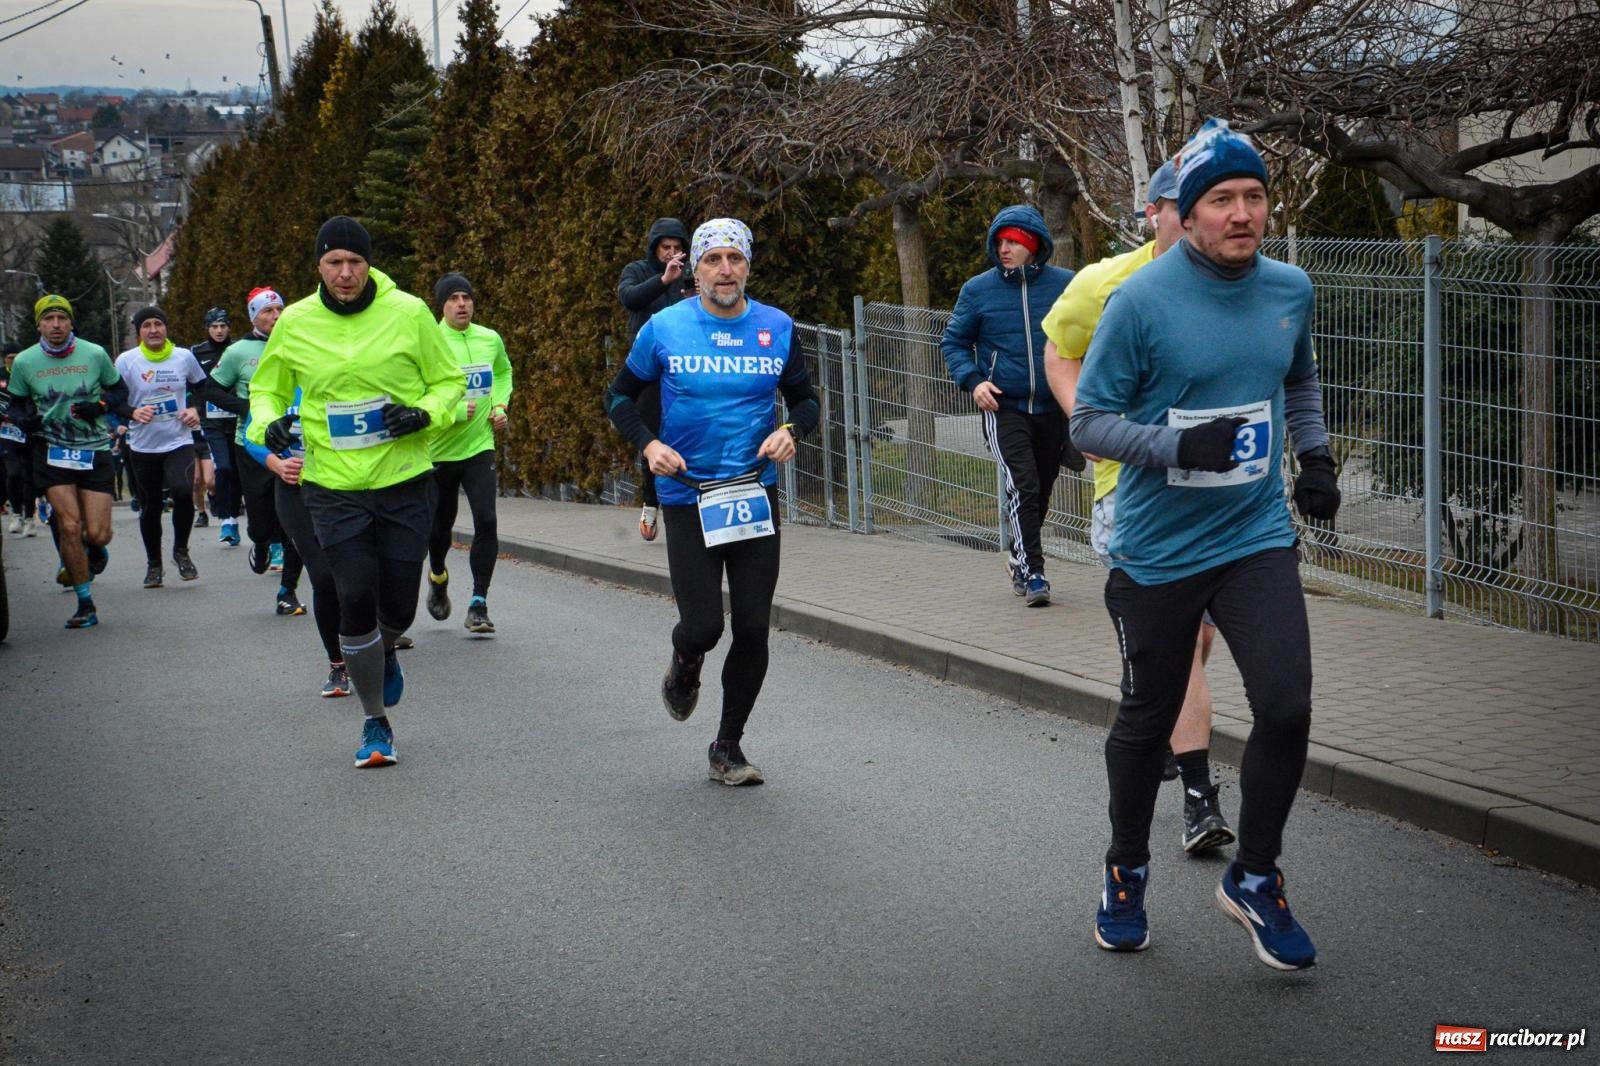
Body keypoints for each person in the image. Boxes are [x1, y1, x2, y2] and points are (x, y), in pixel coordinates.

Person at [1070, 119, 1342, 970]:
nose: (1240, 213)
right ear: (1183, 216)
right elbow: (1089, 420)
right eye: (1220, 200)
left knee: (1288, 706)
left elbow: (1295, 375)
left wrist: (1317, 456)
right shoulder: (1141, 303)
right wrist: (1175, 446)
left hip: (1254, 534)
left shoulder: (1288, 288)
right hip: (1158, 548)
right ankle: (1126, 869)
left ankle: (1255, 878)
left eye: (1253, 197)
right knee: (1147, 721)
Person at [1042, 160, 1235, 856]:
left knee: (1194, 643)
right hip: (1131, 490)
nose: (1201, 220)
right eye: (1185, 208)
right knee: (1182, 647)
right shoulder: (1104, 283)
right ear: (1153, 213)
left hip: (1217, 498)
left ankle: (1151, 711)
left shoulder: (1235, 285)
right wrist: (1083, 421)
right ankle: (1198, 799)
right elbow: (1058, 352)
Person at [604, 217, 820, 785]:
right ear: (694, 271)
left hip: (752, 494)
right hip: (687, 494)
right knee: (702, 625)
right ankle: (684, 664)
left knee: (752, 626)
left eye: (735, 259)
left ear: (748, 266)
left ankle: (728, 746)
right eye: (713, 260)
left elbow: (805, 399)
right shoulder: (664, 327)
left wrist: (792, 430)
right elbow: (620, 397)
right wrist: (649, 445)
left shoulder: (775, 326)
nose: (725, 270)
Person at [247, 216, 461, 768]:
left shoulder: (409, 312)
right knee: (354, 595)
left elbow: (448, 382)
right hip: (332, 485)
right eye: (334, 263)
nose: (345, 273)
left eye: (355, 262)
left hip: (404, 479)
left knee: (399, 605)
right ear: (318, 267)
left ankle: (385, 649)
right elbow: (265, 389)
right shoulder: (294, 322)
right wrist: (267, 424)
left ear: (369, 265)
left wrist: (422, 414)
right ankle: (375, 722)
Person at [941, 205, 1076, 607]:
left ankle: (1019, 557)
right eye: (1000, 242)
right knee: (1024, 484)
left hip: (1053, 406)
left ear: (1033, 246)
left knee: (1044, 486)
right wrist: (975, 381)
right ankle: (1035, 572)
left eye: (1013, 242)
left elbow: (1086, 336)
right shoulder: (978, 290)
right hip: (1004, 406)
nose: (1004, 249)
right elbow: (954, 343)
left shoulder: (1066, 286)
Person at [3, 294, 124, 628]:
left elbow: (119, 393)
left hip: (94, 446)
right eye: (49, 319)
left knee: (97, 534)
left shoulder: (95, 353)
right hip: (51, 449)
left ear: (71, 322)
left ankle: (95, 551)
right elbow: (15, 404)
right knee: (69, 525)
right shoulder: (25, 362)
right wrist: (24, 419)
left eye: (62, 318)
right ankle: (86, 603)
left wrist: (99, 407)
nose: (55, 325)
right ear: (39, 324)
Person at [423, 273, 513, 634]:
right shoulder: (429, 342)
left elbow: (504, 372)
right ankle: (438, 576)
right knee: (438, 528)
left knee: (486, 521)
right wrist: (455, 412)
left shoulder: (489, 338)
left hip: (479, 447)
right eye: (453, 299)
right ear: (441, 306)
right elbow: (415, 393)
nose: (462, 304)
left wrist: (501, 404)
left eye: (467, 297)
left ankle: (479, 603)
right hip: (439, 451)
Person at [210, 286, 309, 615]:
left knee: (295, 524)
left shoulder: (302, 345)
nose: (275, 316)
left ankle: (287, 590)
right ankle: (262, 542)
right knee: (261, 518)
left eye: (280, 309)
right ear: (254, 316)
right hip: (252, 443)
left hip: (299, 448)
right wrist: (247, 408)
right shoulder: (239, 351)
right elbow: (211, 388)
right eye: (267, 311)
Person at [115, 306, 207, 588]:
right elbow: (113, 398)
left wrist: (195, 409)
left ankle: (181, 552)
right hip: (142, 446)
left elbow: (204, 387)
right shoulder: (126, 361)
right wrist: (132, 412)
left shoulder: (183, 357)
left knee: (182, 492)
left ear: (166, 328)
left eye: (158, 324)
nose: (153, 330)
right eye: (146, 326)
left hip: (178, 440)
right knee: (150, 506)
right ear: (138, 332)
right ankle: (154, 564)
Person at [616, 217, 695, 541]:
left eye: (678, 248)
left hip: (684, 366)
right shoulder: (638, 270)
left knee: (690, 432)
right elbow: (629, 298)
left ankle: (689, 505)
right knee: (652, 438)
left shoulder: (691, 275)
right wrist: (664, 280)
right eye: (666, 248)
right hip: (649, 370)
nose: (672, 254)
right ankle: (650, 503)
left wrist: (695, 295)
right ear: (655, 248)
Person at [192, 305, 242, 545]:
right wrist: (193, 407)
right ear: (207, 329)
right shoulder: (198, 353)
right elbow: (191, 385)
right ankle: (227, 521)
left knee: (239, 470)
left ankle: (236, 512)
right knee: (223, 468)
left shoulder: (238, 350)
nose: (219, 331)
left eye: (223, 326)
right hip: (211, 423)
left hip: (239, 419)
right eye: (214, 326)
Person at [1, 344, 39, 537]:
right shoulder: (1, 377)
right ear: (4, 360)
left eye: (17, 357)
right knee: (14, 473)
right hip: (7, 432)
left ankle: (30, 518)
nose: (14, 361)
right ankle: (16, 514)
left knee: (29, 475)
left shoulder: (29, 373)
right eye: (10, 358)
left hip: (28, 431)